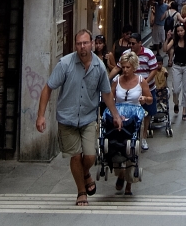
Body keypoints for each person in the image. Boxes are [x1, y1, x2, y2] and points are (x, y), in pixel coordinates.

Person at [36, 29, 122, 206]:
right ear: (76, 45)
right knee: (75, 156)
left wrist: (115, 115)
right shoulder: (65, 64)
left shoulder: (99, 67)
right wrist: (40, 115)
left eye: (85, 43)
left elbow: (106, 93)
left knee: (90, 156)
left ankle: (85, 173)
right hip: (67, 119)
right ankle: (81, 191)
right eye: (79, 44)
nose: (82, 47)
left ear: (91, 43)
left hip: (89, 117)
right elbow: (48, 88)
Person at [111, 51, 153, 196]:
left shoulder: (141, 81)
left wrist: (144, 99)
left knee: (132, 150)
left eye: (128, 67)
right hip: (119, 118)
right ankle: (121, 174)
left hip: (134, 119)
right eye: (123, 67)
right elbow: (110, 97)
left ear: (134, 67)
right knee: (116, 146)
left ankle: (129, 182)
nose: (125, 70)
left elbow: (150, 99)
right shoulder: (117, 80)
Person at [110, 34, 160, 150]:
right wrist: (108, 77)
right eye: (130, 43)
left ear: (139, 43)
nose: (131, 45)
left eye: (133, 43)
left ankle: (143, 137)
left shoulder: (148, 53)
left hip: (146, 85)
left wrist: (144, 83)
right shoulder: (126, 55)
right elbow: (117, 68)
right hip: (126, 96)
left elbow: (154, 70)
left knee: (147, 113)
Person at [165, 23, 186, 121]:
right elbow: (165, 49)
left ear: (185, 31)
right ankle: (176, 102)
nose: (180, 33)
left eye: (181, 30)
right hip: (177, 66)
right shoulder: (174, 41)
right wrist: (167, 39)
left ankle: (184, 112)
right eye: (178, 31)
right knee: (175, 89)